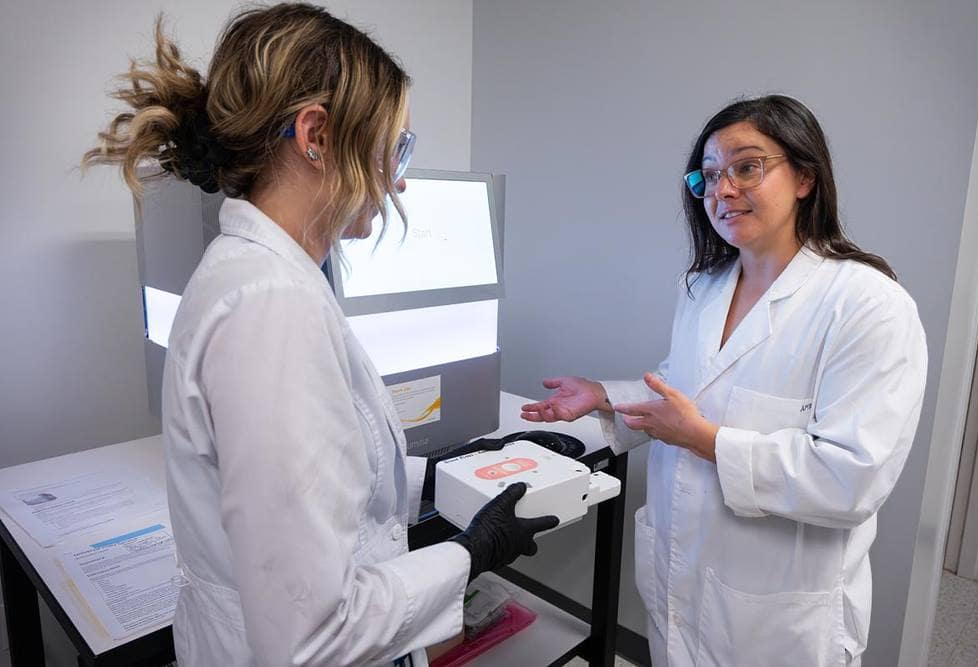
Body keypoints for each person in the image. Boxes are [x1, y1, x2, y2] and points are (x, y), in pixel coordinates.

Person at [83, 5, 556, 666]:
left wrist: (426, 475)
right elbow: (314, 634)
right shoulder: (268, 307)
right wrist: (470, 552)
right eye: (397, 147)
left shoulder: (274, 277)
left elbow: (317, 470)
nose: (398, 178)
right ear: (316, 135)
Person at [522, 95, 927, 667]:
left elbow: (851, 479)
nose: (723, 189)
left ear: (806, 176)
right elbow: (683, 389)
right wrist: (604, 395)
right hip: (682, 586)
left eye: (746, 166)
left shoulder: (868, 305)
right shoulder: (704, 287)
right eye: (709, 175)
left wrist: (703, 440)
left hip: (778, 621)